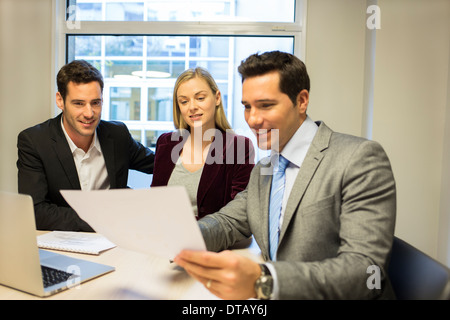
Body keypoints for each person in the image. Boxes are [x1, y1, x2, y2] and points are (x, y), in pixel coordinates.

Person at [174, 51, 397, 299]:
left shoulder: (359, 158)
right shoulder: (265, 169)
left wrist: (264, 280)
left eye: (266, 105)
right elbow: (228, 222)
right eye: (247, 107)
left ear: (302, 101)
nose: (253, 119)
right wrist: (181, 236)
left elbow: (365, 271)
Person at [17, 60, 155, 232]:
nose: (89, 113)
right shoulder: (35, 141)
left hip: (117, 241)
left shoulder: (117, 134)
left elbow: (159, 164)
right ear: (60, 100)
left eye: (95, 103)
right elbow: (36, 211)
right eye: (79, 103)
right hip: (65, 244)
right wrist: (103, 220)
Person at [151, 67, 254, 219]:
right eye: (184, 101)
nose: (192, 107)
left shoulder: (238, 147)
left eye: (200, 98)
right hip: (165, 238)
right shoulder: (166, 143)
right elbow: (155, 202)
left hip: (213, 240)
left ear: (217, 98)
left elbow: (238, 213)